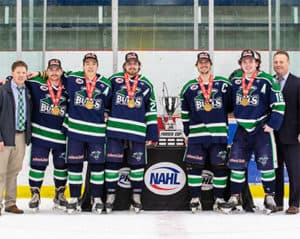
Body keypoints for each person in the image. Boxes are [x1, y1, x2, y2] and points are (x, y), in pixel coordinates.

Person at [220, 49, 285, 214]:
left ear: (257, 63)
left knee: (266, 165)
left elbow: (279, 105)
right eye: (244, 61)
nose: (248, 64)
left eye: (251, 61)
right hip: (242, 130)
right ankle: (235, 196)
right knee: (236, 165)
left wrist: (273, 124)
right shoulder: (235, 81)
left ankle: (269, 197)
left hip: (261, 129)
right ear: (241, 64)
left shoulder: (267, 80)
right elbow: (227, 104)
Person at [104, 52, 158, 213]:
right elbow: (105, 101)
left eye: (135, 63)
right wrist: (104, 114)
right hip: (115, 130)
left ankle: (136, 197)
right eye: (129, 63)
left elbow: (151, 109)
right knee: (112, 164)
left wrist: (152, 133)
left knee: (137, 165)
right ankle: (110, 196)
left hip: (137, 131)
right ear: (124, 66)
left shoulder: (146, 84)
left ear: (139, 66)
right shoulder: (114, 80)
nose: (132, 66)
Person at [179, 52, 232, 213]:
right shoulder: (189, 87)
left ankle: (219, 199)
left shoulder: (224, 85)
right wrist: (187, 134)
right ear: (197, 66)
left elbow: (230, 107)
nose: (204, 65)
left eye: (206, 62)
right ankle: (195, 198)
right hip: (196, 136)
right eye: (201, 62)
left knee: (220, 167)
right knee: (194, 167)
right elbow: (185, 113)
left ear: (211, 64)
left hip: (218, 135)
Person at [63, 53, 112, 214]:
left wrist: (106, 113)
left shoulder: (105, 84)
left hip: (97, 133)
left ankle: (96, 198)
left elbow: (110, 105)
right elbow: (53, 76)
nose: (90, 66)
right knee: (75, 166)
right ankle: (74, 197)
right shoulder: (73, 78)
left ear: (97, 66)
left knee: (97, 166)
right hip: (76, 132)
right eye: (87, 63)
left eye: (93, 63)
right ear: (83, 65)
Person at [26, 59, 68, 211]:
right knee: (38, 166)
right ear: (47, 71)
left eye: (57, 69)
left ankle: (60, 194)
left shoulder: (68, 86)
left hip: (61, 137)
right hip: (40, 136)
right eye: (51, 69)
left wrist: (40, 72)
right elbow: (20, 79)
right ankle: (35, 194)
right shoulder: (36, 83)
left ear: (61, 71)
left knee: (61, 167)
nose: (54, 72)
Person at [0, 61, 32, 215]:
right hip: (5, 136)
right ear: (12, 73)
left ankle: (10, 203)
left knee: (14, 171)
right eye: (18, 72)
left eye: (23, 72)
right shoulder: (3, 90)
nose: (21, 75)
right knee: (0, 171)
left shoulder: (27, 90)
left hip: (21, 136)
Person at [273, 50, 300, 214]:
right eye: (276, 62)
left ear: (288, 63)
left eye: (281, 62)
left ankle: (295, 203)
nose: (278, 65)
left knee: (294, 170)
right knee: (276, 169)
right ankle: (277, 202)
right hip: (272, 134)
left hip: (292, 135)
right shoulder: (270, 83)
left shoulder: (297, 83)